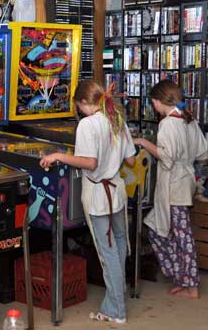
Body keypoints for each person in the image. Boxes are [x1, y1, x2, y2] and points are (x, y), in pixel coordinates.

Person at [40, 81, 136, 324]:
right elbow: (132, 160)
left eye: (78, 106)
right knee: (120, 242)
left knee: (107, 252)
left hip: (98, 195)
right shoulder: (115, 118)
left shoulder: (87, 124)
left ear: (83, 103)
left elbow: (90, 163)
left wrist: (58, 156)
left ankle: (115, 310)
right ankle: (119, 292)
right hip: (116, 191)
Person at [134, 80, 208, 299]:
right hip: (184, 183)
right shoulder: (188, 119)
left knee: (179, 235)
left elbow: (166, 158)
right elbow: (203, 152)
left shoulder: (167, 124)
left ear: (158, 101)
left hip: (173, 187)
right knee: (163, 231)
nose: (153, 107)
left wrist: (142, 142)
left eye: (153, 103)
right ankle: (182, 278)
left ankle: (190, 284)